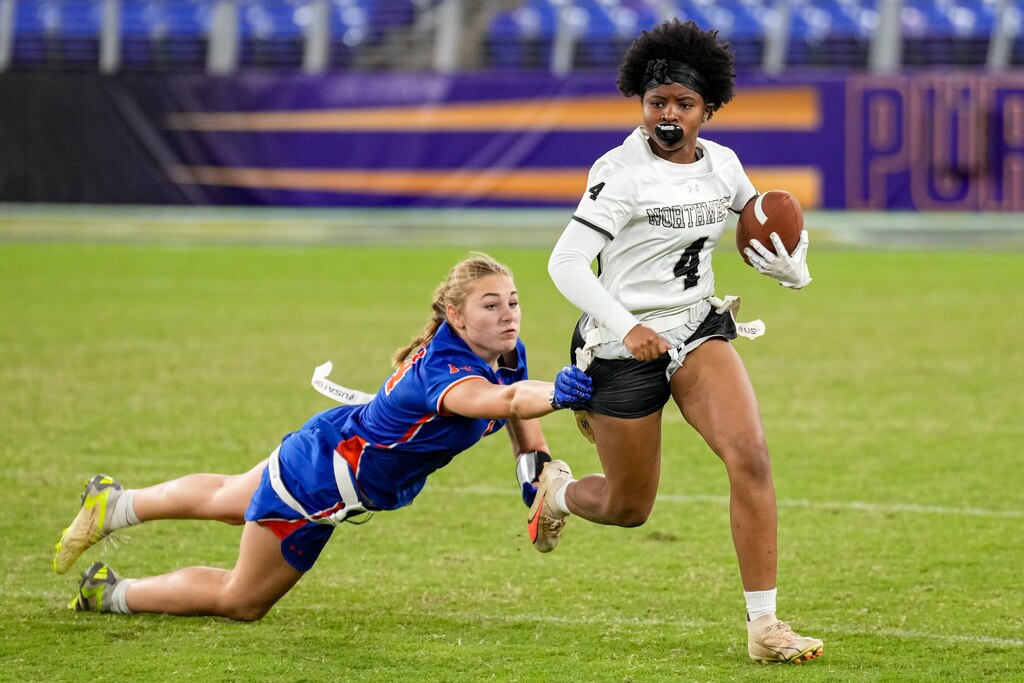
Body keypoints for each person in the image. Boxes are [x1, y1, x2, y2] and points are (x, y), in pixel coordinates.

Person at [53, 253, 591, 620]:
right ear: (456, 315)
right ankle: (112, 592)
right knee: (242, 600)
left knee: (224, 499)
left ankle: (115, 503)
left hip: (327, 447)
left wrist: (534, 475)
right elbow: (506, 401)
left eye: (513, 301)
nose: (508, 314)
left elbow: (521, 415)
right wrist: (567, 391)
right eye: (491, 304)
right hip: (319, 484)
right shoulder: (446, 373)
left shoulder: (501, 349)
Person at [533, 19, 822, 664]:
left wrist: (794, 268)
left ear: (707, 110)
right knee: (628, 506)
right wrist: (625, 325)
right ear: (640, 101)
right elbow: (566, 264)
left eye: (682, 104)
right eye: (656, 101)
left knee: (750, 456)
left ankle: (765, 627)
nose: (667, 114)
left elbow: (762, 228)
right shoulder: (619, 172)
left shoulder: (724, 166)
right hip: (621, 345)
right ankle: (554, 492)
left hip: (698, 327)